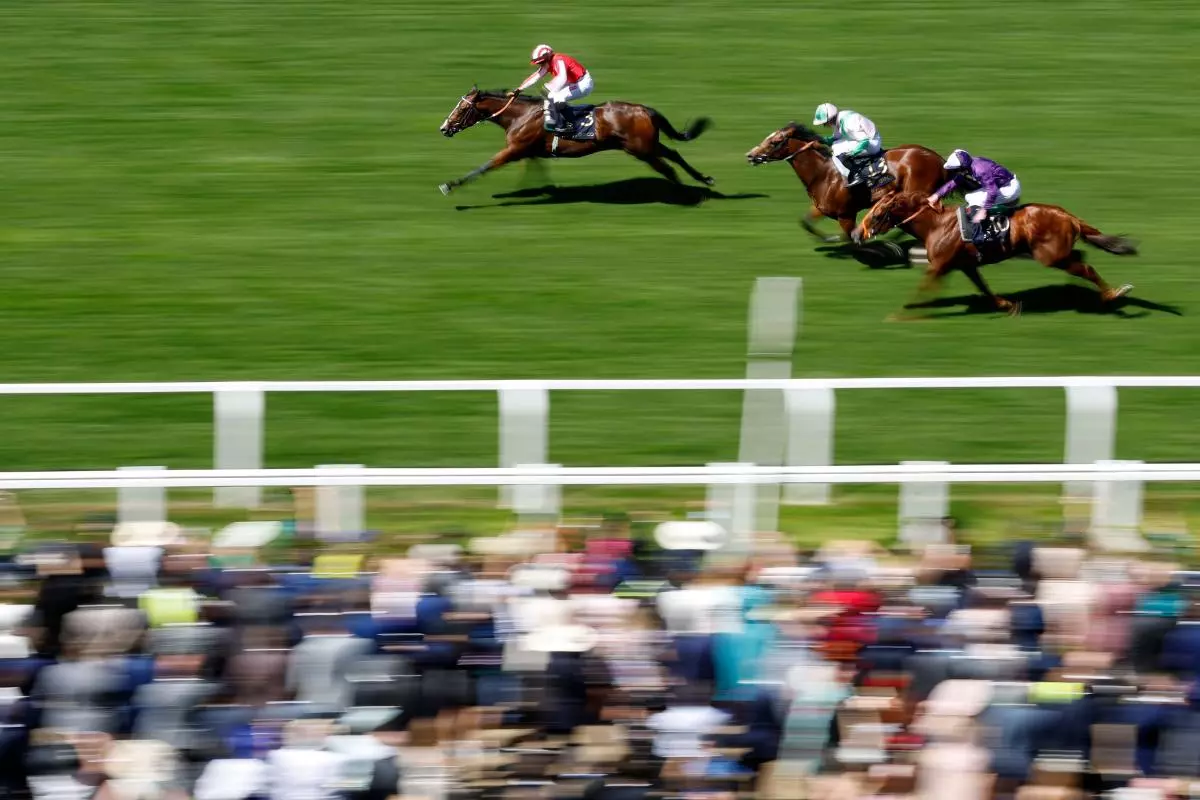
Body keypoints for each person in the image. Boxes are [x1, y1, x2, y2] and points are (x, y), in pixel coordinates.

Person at [928, 148, 1022, 234]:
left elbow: (992, 191)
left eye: (955, 170)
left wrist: (983, 210)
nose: (954, 172)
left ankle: (983, 231)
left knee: (976, 202)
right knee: (969, 197)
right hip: (1000, 186)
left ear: (961, 168)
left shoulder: (980, 170)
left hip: (1009, 189)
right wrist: (936, 195)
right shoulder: (969, 166)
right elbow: (954, 182)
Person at [515, 44, 594, 135]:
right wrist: (519, 89)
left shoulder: (559, 60)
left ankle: (572, 125)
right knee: (550, 95)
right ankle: (551, 122)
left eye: (542, 62)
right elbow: (536, 76)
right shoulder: (548, 62)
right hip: (574, 82)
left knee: (557, 98)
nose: (541, 64)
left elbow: (562, 78)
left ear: (547, 56)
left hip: (583, 83)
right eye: (539, 63)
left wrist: (550, 87)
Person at [812, 103, 882, 187]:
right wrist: (821, 140)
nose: (824, 125)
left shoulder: (848, 123)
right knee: (835, 145)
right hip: (865, 139)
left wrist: (853, 153)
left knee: (838, 151)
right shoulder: (839, 119)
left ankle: (857, 175)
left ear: (830, 119)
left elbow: (864, 141)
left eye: (824, 123)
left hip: (872, 142)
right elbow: (835, 139)